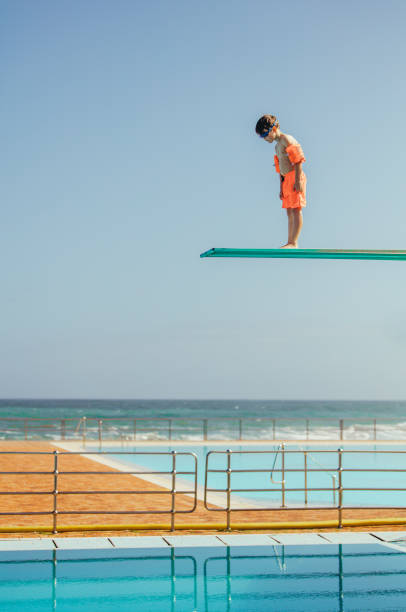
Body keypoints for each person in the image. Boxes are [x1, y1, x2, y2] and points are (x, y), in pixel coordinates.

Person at [255, 114, 307, 248]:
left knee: (296, 209)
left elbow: (298, 159)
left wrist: (297, 180)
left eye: (265, 134)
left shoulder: (286, 139)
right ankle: (289, 241)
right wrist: (281, 187)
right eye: (262, 137)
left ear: (273, 128)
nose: (265, 139)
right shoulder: (277, 147)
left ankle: (294, 242)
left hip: (295, 176)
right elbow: (279, 169)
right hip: (286, 180)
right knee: (289, 211)